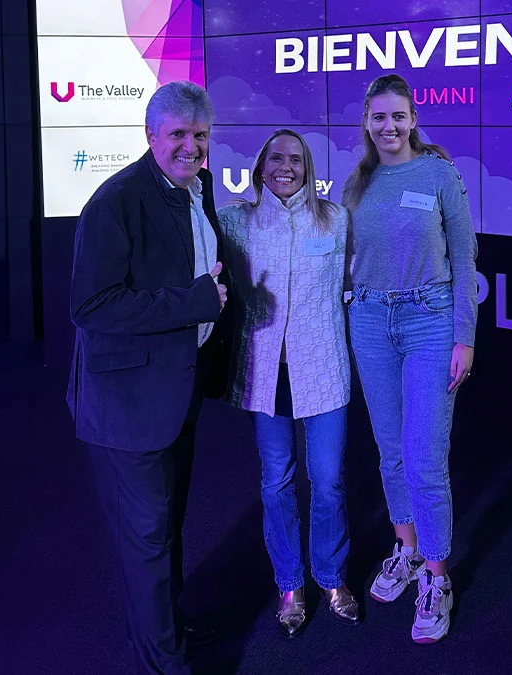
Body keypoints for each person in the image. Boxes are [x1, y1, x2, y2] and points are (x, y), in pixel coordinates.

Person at [67, 80, 232, 675]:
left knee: (167, 528)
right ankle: (164, 665)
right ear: (149, 135)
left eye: (201, 135)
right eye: (179, 135)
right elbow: (92, 306)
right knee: (147, 540)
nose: (192, 147)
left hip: (176, 390)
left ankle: (169, 624)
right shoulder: (115, 202)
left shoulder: (197, 187)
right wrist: (194, 303)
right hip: (126, 404)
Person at [341, 74, 477, 645]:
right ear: (367, 122)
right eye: (378, 118)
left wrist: (464, 337)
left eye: (398, 116)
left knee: (424, 454)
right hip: (370, 322)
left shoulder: (440, 174)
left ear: (413, 118)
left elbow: (467, 256)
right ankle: (407, 550)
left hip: (430, 320)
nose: (389, 127)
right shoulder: (357, 184)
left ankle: (437, 575)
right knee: (391, 450)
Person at [217, 130, 357, 638]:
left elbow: (351, 281)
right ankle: (290, 584)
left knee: (329, 479)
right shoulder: (237, 222)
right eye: (276, 157)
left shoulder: (334, 219)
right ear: (260, 166)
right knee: (276, 483)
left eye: (295, 159)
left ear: (308, 167)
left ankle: (331, 576)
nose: (285, 166)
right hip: (265, 372)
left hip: (322, 369)